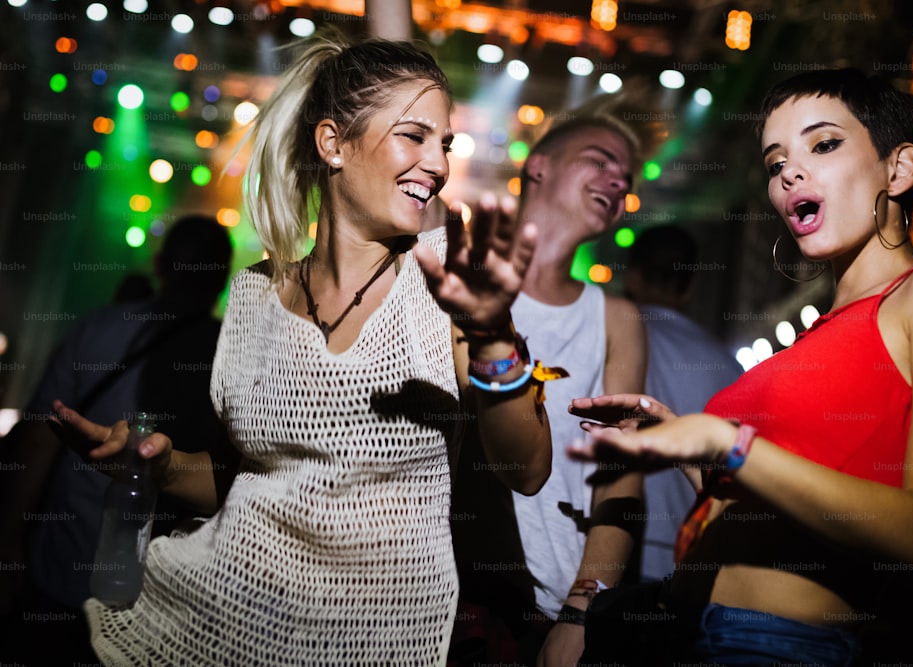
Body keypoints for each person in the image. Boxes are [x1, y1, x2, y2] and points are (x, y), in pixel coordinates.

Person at [50, 33, 551, 666]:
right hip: (223, 624)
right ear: (333, 144)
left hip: (375, 641)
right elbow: (256, 481)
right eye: (414, 136)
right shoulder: (254, 297)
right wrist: (160, 465)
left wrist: (493, 338)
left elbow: (527, 471)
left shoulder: (440, 287)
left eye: (443, 143)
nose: (440, 164)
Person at [568, 67, 913, 665]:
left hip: (779, 646)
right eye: (775, 163)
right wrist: (691, 453)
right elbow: (776, 504)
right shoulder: (808, 340)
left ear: (898, 169)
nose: (789, 172)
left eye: (823, 145)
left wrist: (729, 442)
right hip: (683, 631)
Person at [450, 97, 660, 667]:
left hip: (554, 611)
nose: (618, 182)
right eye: (600, 160)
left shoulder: (616, 319)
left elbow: (620, 482)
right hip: (456, 598)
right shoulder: (464, 276)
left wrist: (581, 611)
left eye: (626, 179)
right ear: (538, 165)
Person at [0, 214, 238, 664]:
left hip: (62, 573)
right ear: (223, 278)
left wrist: (9, 536)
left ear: (159, 264)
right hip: (159, 604)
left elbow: (38, 441)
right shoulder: (232, 354)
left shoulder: (96, 328)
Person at [622, 224, 743, 582]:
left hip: (608, 553)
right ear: (690, 286)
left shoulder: (607, 338)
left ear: (631, 275)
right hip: (687, 558)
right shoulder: (727, 365)